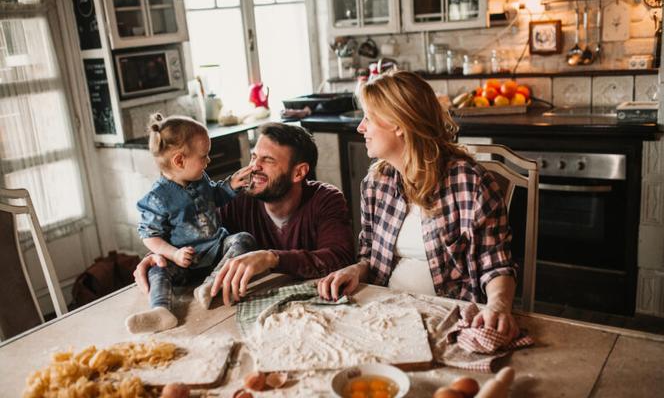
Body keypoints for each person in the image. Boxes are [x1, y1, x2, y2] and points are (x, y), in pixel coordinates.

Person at [317, 71, 520, 339]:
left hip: (448, 322)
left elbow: (495, 265)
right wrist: (355, 270)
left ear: (398, 124)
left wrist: (498, 305)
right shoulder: (376, 183)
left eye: (368, 117)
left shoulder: (469, 183)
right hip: (384, 316)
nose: (360, 127)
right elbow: (371, 258)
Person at [134, 122, 355, 306]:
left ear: (299, 172)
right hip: (249, 307)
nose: (254, 167)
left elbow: (340, 258)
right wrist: (163, 255)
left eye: (267, 160)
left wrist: (271, 258)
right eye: (253, 157)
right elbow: (200, 237)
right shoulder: (238, 199)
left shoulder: (326, 199)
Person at [126, 113, 255, 334]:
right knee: (157, 268)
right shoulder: (158, 198)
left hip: (216, 253)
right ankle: (161, 311)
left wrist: (231, 185)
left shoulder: (200, 178)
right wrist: (174, 254)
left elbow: (216, 196)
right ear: (179, 160)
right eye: (203, 156)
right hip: (184, 262)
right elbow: (150, 236)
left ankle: (210, 285)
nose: (208, 161)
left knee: (244, 239)